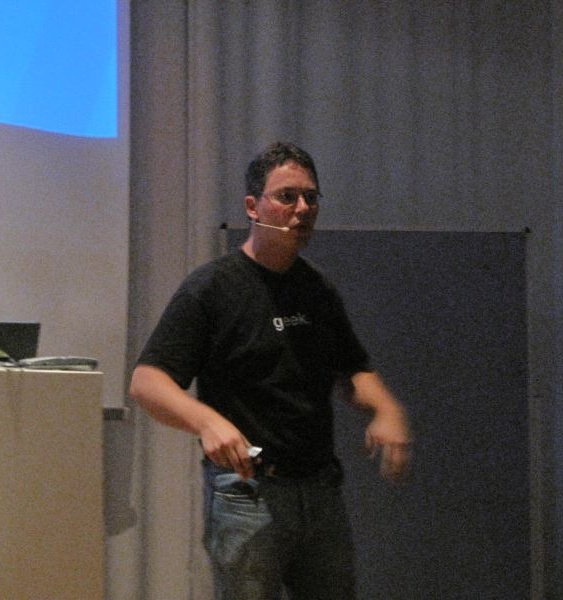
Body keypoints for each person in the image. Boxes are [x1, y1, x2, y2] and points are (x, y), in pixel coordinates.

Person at [129, 141, 412, 599]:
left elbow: (354, 370)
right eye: (287, 196)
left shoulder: (316, 288)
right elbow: (147, 381)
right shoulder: (213, 288)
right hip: (249, 493)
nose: (302, 209)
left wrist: (387, 410)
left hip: (320, 490)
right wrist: (207, 421)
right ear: (252, 206)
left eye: (311, 198)